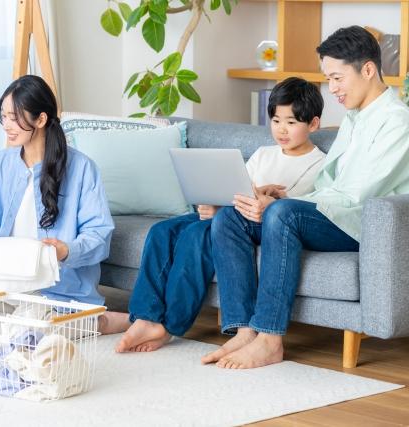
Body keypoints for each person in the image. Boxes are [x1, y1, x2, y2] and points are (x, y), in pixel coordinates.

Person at [202, 25, 409, 369]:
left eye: (338, 78)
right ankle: (244, 330)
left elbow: (356, 195)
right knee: (230, 217)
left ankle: (270, 339)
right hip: (333, 213)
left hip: (359, 224)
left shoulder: (397, 122)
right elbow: (328, 185)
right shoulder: (355, 118)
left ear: (368, 70)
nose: (333, 89)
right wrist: (283, 196)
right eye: (329, 79)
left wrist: (282, 207)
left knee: (282, 214)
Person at [110, 77, 326, 353]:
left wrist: (243, 205)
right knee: (161, 231)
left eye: (291, 122)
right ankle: (144, 317)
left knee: (195, 235)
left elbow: (293, 211)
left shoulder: (319, 164)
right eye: (276, 121)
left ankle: (169, 325)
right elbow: (238, 187)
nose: (281, 129)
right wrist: (216, 203)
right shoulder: (264, 153)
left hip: (252, 225)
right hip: (228, 213)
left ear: (313, 124)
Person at [0, 75, 117, 332]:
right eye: (3, 116)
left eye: (14, 117)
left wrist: (66, 251)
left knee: (33, 326)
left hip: (54, 296)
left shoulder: (82, 169)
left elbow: (99, 237)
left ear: (41, 119)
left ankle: (96, 321)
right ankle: (36, 328)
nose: (6, 125)